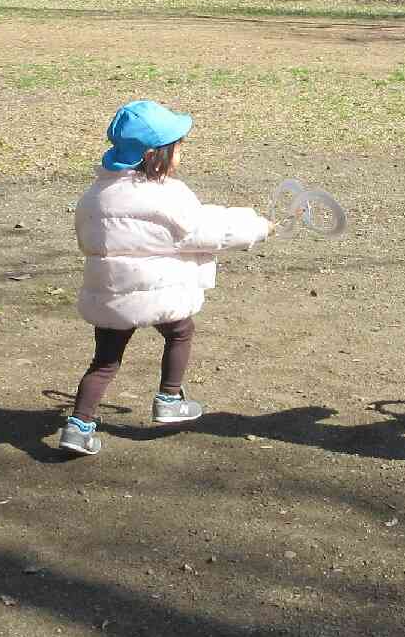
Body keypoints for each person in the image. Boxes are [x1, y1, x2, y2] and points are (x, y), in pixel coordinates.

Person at [56, 100, 270, 457]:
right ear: (155, 154)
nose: (181, 153)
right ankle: (169, 398)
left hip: (111, 294)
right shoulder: (167, 195)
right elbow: (204, 230)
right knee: (180, 331)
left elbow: (85, 240)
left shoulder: (94, 196)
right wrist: (260, 227)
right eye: (178, 147)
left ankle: (78, 426)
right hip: (158, 294)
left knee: (105, 362)